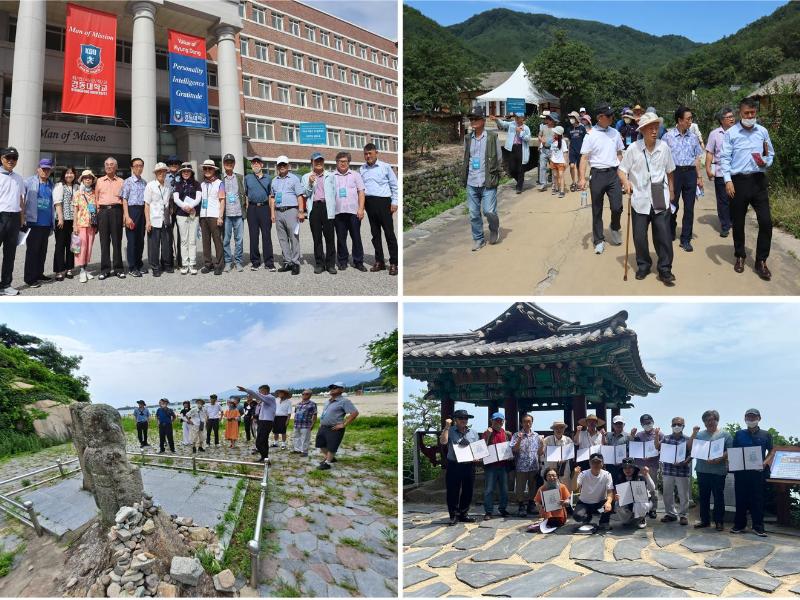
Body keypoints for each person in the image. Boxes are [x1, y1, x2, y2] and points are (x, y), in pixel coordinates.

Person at [618, 111, 677, 285]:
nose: (654, 131)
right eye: (650, 127)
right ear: (642, 130)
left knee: (663, 235)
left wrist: (672, 191)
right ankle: (643, 265)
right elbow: (621, 170)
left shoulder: (663, 147)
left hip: (660, 193)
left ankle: (665, 269)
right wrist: (626, 182)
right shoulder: (633, 149)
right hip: (640, 197)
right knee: (639, 236)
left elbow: (670, 170)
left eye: (656, 127)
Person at [720, 98, 776, 280]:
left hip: (758, 180)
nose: (750, 116)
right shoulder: (731, 133)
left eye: (753, 113)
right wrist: (727, 181)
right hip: (738, 182)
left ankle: (761, 260)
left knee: (766, 221)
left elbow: (770, 153)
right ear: (740, 114)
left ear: (756, 113)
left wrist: (766, 161)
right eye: (746, 113)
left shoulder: (762, 132)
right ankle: (740, 255)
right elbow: (725, 158)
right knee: (738, 222)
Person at [579, 103, 625, 255]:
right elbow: (584, 158)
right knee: (597, 209)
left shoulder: (615, 133)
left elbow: (619, 152)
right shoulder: (590, 135)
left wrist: (621, 172)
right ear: (600, 117)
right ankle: (598, 240)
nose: (612, 118)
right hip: (597, 175)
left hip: (613, 174)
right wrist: (581, 178)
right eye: (609, 115)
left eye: (612, 115)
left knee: (617, 206)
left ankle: (614, 226)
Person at [663, 106, 704, 252]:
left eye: (691, 119)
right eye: (688, 119)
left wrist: (699, 177)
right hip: (674, 173)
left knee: (689, 208)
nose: (690, 121)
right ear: (679, 120)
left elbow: (697, 158)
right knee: (672, 204)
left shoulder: (693, 137)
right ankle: (670, 230)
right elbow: (663, 158)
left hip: (690, 174)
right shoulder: (667, 137)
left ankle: (686, 238)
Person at [463, 106, 502, 251]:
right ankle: (478, 239)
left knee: (489, 211)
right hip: (472, 181)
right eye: (471, 119)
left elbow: (498, 158)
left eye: (475, 118)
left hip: (488, 180)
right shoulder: (468, 139)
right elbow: (466, 158)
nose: (472, 121)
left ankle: (494, 228)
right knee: (473, 214)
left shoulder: (492, 137)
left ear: (483, 120)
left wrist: (494, 174)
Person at [731, 408, 773, 537]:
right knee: (740, 498)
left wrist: (765, 462)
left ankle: (758, 527)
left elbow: (771, 452)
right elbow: (734, 451)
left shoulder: (766, 435)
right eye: (748, 417)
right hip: (741, 472)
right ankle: (739, 525)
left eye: (753, 417)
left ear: (759, 418)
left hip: (758, 473)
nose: (751, 419)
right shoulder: (739, 434)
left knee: (758, 500)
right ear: (745, 419)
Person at [360, 143, 399, 273]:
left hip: (384, 203)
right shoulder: (362, 169)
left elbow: (395, 186)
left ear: (376, 153)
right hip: (370, 203)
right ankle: (379, 261)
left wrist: (395, 202)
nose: (368, 156)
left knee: (389, 234)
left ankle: (394, 263)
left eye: (370, 153)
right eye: (366, 154)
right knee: (375, 234)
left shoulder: (385, 167)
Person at [691, 409, 732, 531]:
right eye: (707, 420)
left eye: (712, 419)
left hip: (718, 471)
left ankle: (719, 522)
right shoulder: (699, 435)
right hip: (702, 470)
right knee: (703, 496)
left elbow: (729, 450)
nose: (710, 422)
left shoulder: (725, 434)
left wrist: (720, 458)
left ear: (717, 420)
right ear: (704, 422)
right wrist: (694, 433)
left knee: (718, 496)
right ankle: (705, 521)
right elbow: (691, 447)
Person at [440, 409, 479, 525]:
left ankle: (464, 514)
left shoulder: (473, 433)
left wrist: (477, 457)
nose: (464, 420)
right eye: (461, 418)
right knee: (453, 491)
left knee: (468, 490)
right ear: (455, 420)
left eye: (465, 418)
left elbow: (476, 449)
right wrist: (447, 427)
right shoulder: (450, 431)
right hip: (454, 465)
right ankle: (454, 515)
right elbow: (443, 442)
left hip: (469, 465)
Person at [270, 156, 306, 275]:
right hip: (279, 212)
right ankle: (287, 261)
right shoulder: (274, 180)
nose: (282, 167)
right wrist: (272, 213)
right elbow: (273, 197)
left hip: (292, 211)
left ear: (288, 166)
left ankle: (295, 263)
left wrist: (301, 212)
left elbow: (299, 196)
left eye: (284, 164)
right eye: (280, 165)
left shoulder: (294, 179)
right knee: (282, 239)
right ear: (277, 166)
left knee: (293, 237)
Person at [302, 152, 336, 275]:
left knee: (330, 237)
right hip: (315, 208)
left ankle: (331, 264)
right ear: (312, 162)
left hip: (327, 207)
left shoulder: (331, 176)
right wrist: (310, 183)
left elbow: (335, 193)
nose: (319, 163)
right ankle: (319, 264)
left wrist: (333, 208)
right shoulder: (306, 176)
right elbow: (305, 194)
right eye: (316, 161)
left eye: (321, 161)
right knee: (317, 238)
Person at [22, 158, 55, 288]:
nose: (45, 171)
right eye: (43, 168)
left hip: (46, 224)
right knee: (32, 252)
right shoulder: (28, 182)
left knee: (42, 251)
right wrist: (22, 218)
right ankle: (30, 279)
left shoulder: (51, 184)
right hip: (33, 223)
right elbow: (21, 200)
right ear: (38, 168)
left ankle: (39, 274)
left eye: (48, 169)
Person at [332, 152, 366, 271]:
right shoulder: (332, 176)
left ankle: (358, 261)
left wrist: (361, 209)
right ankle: (342, 261)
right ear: (336, 162)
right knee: (341, 238)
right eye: (340, 161)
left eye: (345, 161)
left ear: (349, 162)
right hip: (338, 212)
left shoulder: (355, 175)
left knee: (356, 237)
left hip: (353, 212)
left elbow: (361, 192)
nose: (342, 163)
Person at [705, 107, 735, 238]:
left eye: (732, 116)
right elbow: (710, 152)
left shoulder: (739, 132)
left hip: (736, 172)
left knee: (735, 199)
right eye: (728, 117)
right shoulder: (714, 134)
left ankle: (733, 221)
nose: (732, 119)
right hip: (720, 171)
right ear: (722, 120)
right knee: (723, 200)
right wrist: (707, 168)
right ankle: (725, 225)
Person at [316, 382, 359, 470]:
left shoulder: (344, 401)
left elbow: (354, 413)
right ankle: (330, 457)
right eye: (331, 388)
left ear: (342, 390)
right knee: (320, 444)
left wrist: (343, 424)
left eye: (335, 388)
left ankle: (327, 463)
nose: (332, 389)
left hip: (334, 428)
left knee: (332, 446)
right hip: (323, 427)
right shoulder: (328, 401)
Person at [95, 157, 125, 280]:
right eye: (106, 164)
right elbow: (96, 198)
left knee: (117, 241)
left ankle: (118, 268)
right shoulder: (99, 181)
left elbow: (124, 200)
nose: (108, 166)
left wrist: (124, 215)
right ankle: (105, 269)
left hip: (117, 211)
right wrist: (98, 214)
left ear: (116, 167)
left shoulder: (122, 181)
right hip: (103, 212)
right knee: (104, 242)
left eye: (111, 164)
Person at [628, 414, 663, 519]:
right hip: (639, 465)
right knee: (640, 488)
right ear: (641, 424)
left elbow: (662, 448)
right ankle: (643, 508)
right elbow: (632, 446)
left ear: (652, 421)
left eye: (648, 422)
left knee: (652, 488)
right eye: (644, 423)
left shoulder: (660, 434)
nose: (647, 424)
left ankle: (653, 509)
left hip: (652, 465)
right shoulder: (638, 435)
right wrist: (632, 435)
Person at [660, 416, 694, 526]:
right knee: (667, 494)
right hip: (668, 470)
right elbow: (660, 450)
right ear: (671, 426)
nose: (676, 426)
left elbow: (692, 454)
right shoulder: (666, 438)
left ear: (683, 426)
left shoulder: (688, 439)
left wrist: (685, 461)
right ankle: (670, 514)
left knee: (684, 494)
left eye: (679, 424)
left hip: (682, 471)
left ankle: (683, 515)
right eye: (674, 424)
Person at [0, 147, 24, 296]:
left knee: (10, 254)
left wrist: (22, 219)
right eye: (8, 157)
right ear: (1, 158)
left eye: (14, 158)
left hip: (14, 217)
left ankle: (6, 284)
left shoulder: (18, 178)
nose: (11, 160)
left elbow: (21, 200)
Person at [244, 156, 275, 272]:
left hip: (265, 208)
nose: (255, 164)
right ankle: (255, 262)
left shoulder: (268, 178)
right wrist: (247, 209)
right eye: (253, 163)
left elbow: (271, 196)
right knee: (253, 236)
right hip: (252, 209)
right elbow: (246, 195)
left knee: (267, 236)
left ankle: (269, 262)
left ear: (262, 165)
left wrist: (272, 213)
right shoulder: (247, 178)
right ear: (252, 165)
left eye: (258, 162)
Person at [571, 453, 614, 531]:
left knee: (610, 502)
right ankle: (587, 517)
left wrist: (608, 502)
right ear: (589, 463)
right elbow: (574, 488)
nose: (596, 464)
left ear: (602, 463)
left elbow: (610, 492)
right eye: (593, 462)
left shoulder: (607, 475)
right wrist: (575, 475)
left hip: (598, 506)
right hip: (584, 503)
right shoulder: (583, 474)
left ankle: (603, 522)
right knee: (577, 516)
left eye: (598, 462)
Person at [144, 162, 173, 277]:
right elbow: (146, 204)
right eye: (159, 171)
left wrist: (170, 208)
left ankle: (166, 264)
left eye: (164, 171)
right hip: (154, 218)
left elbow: (169, 199)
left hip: (165, 218)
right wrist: (147, 221)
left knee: (166, 244)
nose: (162, 173)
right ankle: (155, 266)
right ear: (156, 173)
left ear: (166, 172)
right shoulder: (150, 185)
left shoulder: (168, 185)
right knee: (154, 245)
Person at [510, 414, 542, 516]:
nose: (527, 423)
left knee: (533, 487)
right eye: (525, 421)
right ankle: (521, 506)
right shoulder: (516, 435)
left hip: (533, 466)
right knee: (520, 487)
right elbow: (514, 449)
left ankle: (531, 506)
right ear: (521, 423)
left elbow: (540, 453)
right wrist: (519, 439)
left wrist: (543, 444)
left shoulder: (536, 436)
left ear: (532, 422)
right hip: (521, 466)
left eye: (529, 421)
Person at [172, 162, 201, 275]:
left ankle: (192, 263)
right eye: (184, 171)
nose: (186, 173)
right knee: (184, 240)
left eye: (188, 171)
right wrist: (185, 207)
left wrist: (191, 206)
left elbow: (198, 198)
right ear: (181, 172)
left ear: (191, 172)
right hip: (181, 214)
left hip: (193, 214)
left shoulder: (197, 184)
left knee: (192, 240)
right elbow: (176, 199)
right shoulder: (177, 184)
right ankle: (184, 263)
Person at [121, 157, 148, 277]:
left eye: (141, 165)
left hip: (142, 211)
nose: (139, 168)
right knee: (132, 241)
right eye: (136, 165)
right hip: (132, 211)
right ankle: (132, 267)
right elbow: (124, 199)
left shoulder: (144, 182)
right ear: (132, 168)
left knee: (140, 240)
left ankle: (139, 263)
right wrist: (126, 216)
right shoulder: (127, 181)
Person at [482, 412, 512, 520]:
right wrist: (488, 435)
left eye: (500, 420)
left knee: (504, 489)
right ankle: (488, 511)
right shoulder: (486, 432)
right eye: (496, 420)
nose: (498, 422)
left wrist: (510, 455)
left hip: (503, 465)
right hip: (491, 466)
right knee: (489, 489)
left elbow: (510, 448)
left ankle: (502, 508)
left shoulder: (507, 434)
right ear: (491, 421)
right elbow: (482, 448)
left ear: (503, 422)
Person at [493, 112, 531, 194]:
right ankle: (519, 181)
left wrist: (520, 133)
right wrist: (496, 119)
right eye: (516, 117)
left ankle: (519, 187)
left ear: (522, 118)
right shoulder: (512, 124)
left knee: (521, 168)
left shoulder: (526, 128)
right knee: (512, 169)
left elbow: (528, 139)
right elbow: (503, 124)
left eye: (518, 117)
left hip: (521, 148)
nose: (516, 119)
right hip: (512, 148)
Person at [198, 159, 225, 275]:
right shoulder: (202, 184)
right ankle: (208, 264)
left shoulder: (220, 183)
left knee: (217, 241)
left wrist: (220, 216)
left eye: (210, 168)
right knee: (205, 241)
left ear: (214, 170)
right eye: (205, 168)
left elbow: (222, 200)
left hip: (215, 216)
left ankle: (219, 264)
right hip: (203, 216)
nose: (207, 170)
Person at [221, 153, 247, 273]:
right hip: (226, 215)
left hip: (238, 214)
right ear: (224, 164)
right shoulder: (220, 178)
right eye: (227, 162)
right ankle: (227, 262)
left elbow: (245, 194)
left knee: (239, 240)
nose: (229, 164)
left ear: (234, 164)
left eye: (231, 162)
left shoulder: (240, 178)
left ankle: (238, 261)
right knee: (226, 240)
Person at [613, 458, 656, 528]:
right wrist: (616, 497)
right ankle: (629, 517)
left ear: (634, 468)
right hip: (627, 502)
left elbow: (652, 488)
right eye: (625, 468)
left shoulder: (640, 477)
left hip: (641, 502)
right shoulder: (620, 479)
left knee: (641, 502)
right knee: (617, 504)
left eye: (630, 467)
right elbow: (616, 494)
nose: (627, 470)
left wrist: (647, 475)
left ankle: (641, 518)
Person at [237, 384, 276, 463]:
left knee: (259, 442)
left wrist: (245, 390)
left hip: (266, 422)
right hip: (262, 421)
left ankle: (265, 459)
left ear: (265, 391)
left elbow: (257, 395)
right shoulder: (265, 400)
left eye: (260, 391)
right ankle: (265, 458)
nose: (259, 393)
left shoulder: (270, 397)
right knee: (264, 442)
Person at [52, 166, 78, 281]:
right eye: (67, 173)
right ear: (63, 175)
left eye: (71, 173)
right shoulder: (59, 186)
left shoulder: (77, 186)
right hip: (62, 220)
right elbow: (57, 203)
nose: (69, 175)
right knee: (60, 245)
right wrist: (61, 218)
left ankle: (69, 269)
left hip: (74, 221)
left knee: (72, 246)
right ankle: (59, 270)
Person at [73, 170, 98, 283]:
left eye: (89, 177)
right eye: (85, 177)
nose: (88, 179)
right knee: (81, 248)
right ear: (82, 180)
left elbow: (96, 209)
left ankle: (86, 268)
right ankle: (81, 270)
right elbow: (75, 210)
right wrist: (74, 225)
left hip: (91, 225)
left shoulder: (94, 193)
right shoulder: (78, 193)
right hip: (81, 224)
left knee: (89, 248)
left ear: (92, 180)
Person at [528, 467, 571, 532]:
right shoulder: (542, 489)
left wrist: (565, 502)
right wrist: (539, 506)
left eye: (554, 476)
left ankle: (541, 524)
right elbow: (537, 501)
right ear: (546, 477)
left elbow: (568, 500)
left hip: (559, 515)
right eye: (549, 476)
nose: (551, 478)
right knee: (548, 522)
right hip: (547, 514)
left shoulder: (562, 487)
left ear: (557, 477)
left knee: (556, 522)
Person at [542, 420, 574, 487]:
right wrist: (541, 444)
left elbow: (571, 455)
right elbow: (541, 453)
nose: (559, 429)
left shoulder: (568, 440)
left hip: (564, 470)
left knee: (565, 490)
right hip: (550, 469)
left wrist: (564, 459)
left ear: (564, 429)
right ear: (553, 429)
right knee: (550, 492)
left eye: (561, 427)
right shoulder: (547, 440)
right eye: (556, 428)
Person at [164, 155, 182, 269]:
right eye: (171, 164)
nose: (173, 165)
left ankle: (181, 260)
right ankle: (168, 261)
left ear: (179, 165)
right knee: (168, 235)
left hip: (180, 207)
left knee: (182, 235)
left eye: (176, 163)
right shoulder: (164, 177)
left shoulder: (183, 176)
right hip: (169, 207)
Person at [292, 389, 317, 456]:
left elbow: (315, 415)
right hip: (297, 424)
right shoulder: (298, 404)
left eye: (306, 394)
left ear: (310, 395)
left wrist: (313, 424)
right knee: (296, 437)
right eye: (303, 394)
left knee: (305, 438)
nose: (304, 395)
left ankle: (304, 451)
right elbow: (295, 413)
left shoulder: (312, 404)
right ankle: (297, 450)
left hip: (306, 424)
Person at [605, 415, 630, 480]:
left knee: (621, 484)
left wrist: (621, 460)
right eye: (616, 423)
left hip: (622, 465)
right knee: (610, 484)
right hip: (610, 465)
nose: (618, 425)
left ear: (624, 424)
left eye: (620, 423)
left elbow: (629, 451)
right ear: (613, 425)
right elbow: (604, 447)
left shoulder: (628, 436)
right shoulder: (608, 435)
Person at [567, 111, 587, 192]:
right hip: (572, 150)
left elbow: (585, 139)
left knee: (579, 168)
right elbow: (569, 139)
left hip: (580, 150)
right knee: (572, 166)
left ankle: (579, 182)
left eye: (572, 117)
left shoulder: (582, 128)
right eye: (570, 117)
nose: (571, 119)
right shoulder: (569, 128)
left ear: (576, 118)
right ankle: (573, 182)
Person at [538, 112, 558, 192]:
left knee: (553, 167)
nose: (548, 120)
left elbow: (560, 138)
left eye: (550, 119)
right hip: (544, 149)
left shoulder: (556, 129)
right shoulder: (543, 127)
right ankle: (543, 184)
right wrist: (541, 140)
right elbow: (539, 135)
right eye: (548, 119)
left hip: (552, 150)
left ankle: (554, 184)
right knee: (542, 167)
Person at [549, 125, 568, 198]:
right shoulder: (553, 141)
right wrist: (550, 158)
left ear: (558, 134)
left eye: (555, 133)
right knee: (555, 175)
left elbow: (565, 152)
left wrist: (565, 162)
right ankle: (556, 188)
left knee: (561, 176)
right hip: (553, 161)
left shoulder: (562, 142)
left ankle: (562, 191)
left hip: (560, 162)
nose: (554, 134)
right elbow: (551, 151)